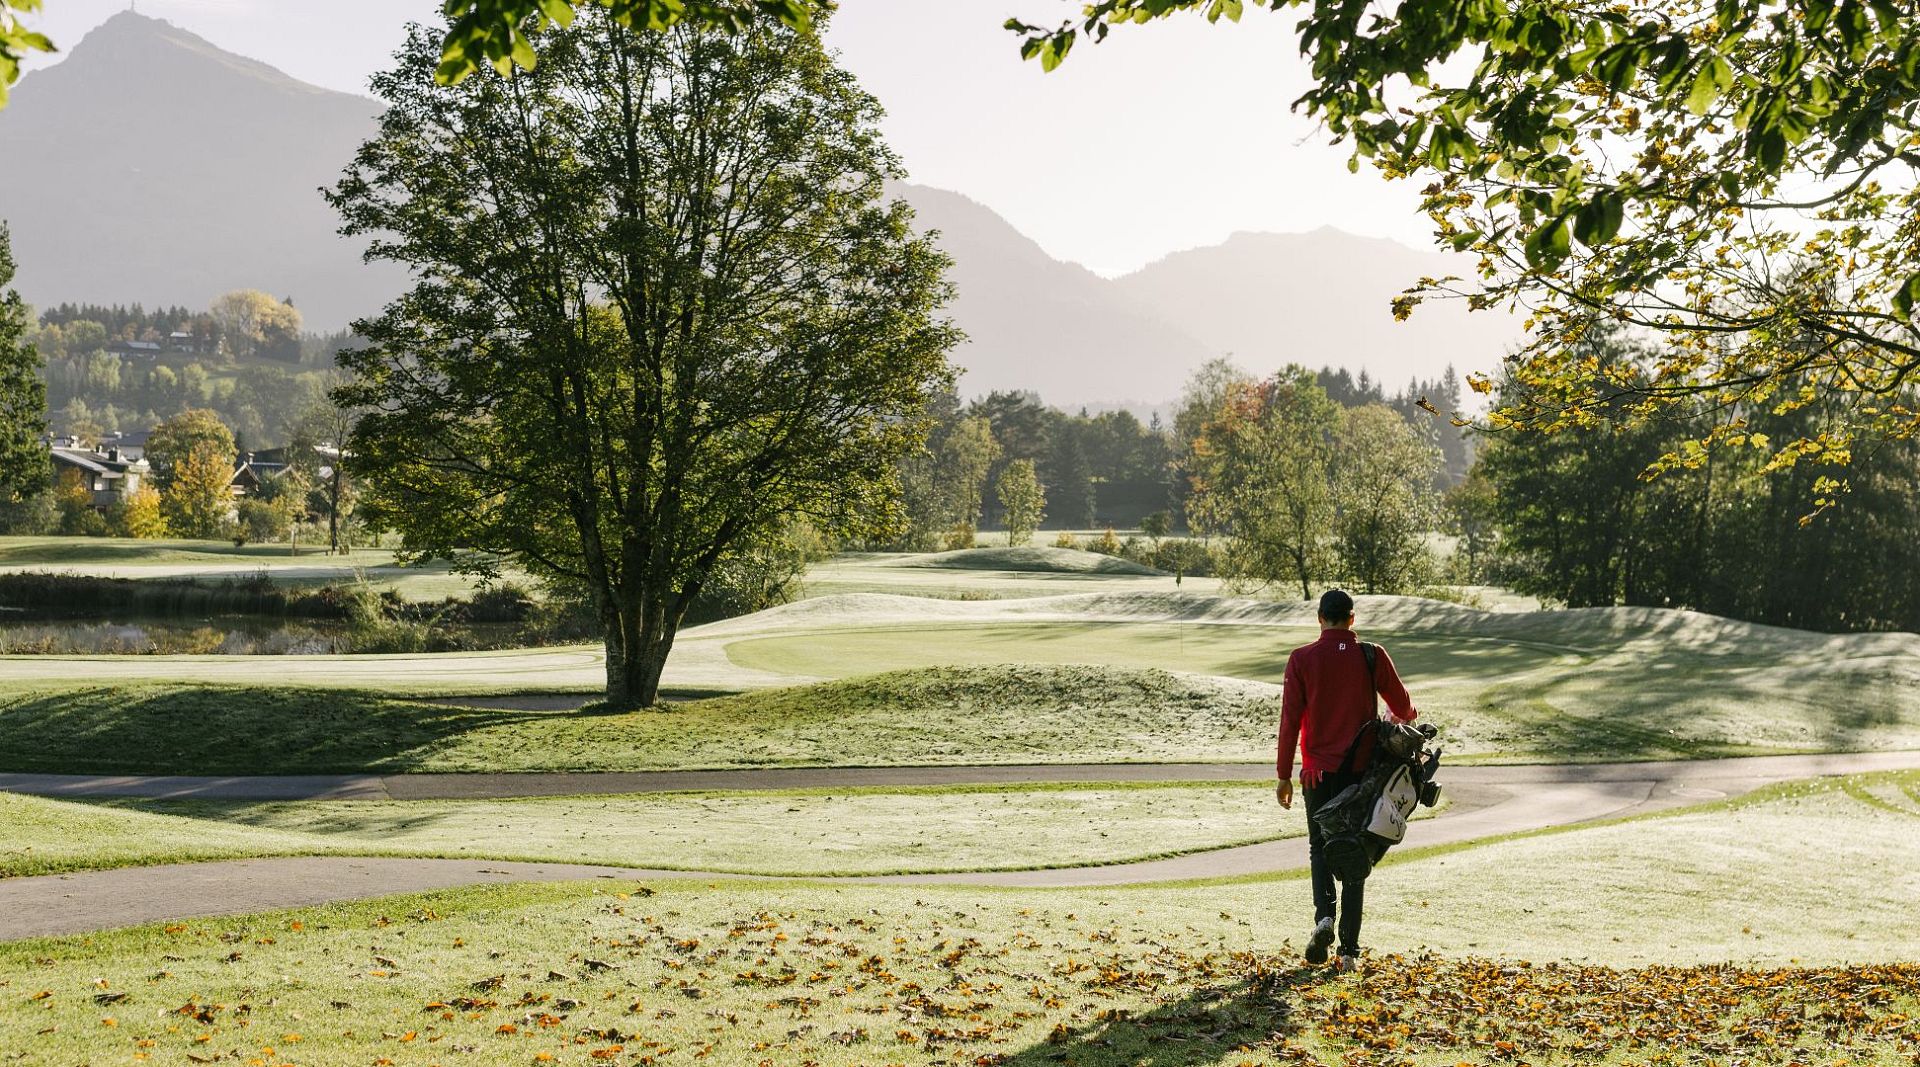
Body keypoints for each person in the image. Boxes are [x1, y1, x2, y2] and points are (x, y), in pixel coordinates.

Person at [1275, 588, 1418, 973]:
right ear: (1352, 619)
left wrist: (1283, 776)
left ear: (1320, 619)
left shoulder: (1301, 659)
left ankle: (1324, 917)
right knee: (1357, 851)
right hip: (1362, 775)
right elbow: (1404, 708)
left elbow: (1289, 722)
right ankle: (1349, 953)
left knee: (1320, 846)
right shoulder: (1372, 654)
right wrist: (1398, 717)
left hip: (1317, 773)